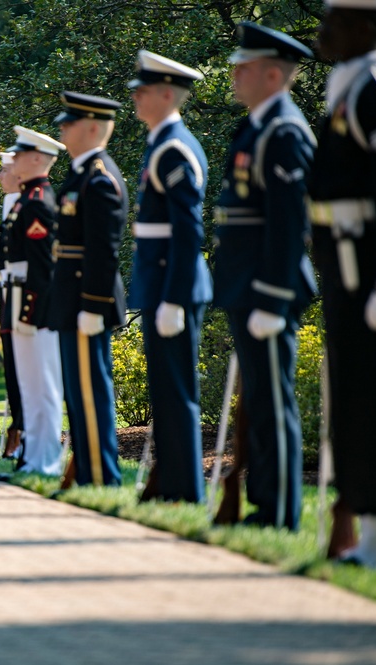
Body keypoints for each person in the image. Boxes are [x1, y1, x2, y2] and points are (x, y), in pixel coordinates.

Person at [212, 23, 316, 530]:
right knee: (258, 398)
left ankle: (279, 511)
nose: (235, 74)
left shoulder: (284, 131)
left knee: (272, 402)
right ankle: (264, 504)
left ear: (274, 74)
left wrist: (274, 299)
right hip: (246, 283)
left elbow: (288, 223)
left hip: (265, 287)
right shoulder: (258, 125)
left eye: (244, 67)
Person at [309, 0, 376, 567]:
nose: (321, 32)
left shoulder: (373, 89)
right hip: (344, 266)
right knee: (357, 403)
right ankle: (371, 534)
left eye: (332, 22)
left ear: (364, 27)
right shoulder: (347, 86)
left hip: (368, 271)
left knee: (374, 400)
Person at [127, 50, 212, 503]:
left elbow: (187, 230)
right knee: (166, 391)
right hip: (161, 284)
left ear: (166, 94)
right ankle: (173, 484)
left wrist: (176, 298)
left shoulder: (174, 148)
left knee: (176, 393)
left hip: (172, 286)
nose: (136, 98)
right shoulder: (160, 143)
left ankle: (184, 489)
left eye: (143, 90)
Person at [53, 92, 129, 488]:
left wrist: (93, 304)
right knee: (77, 394)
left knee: (89, 392)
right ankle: (84, 469)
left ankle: (101, 477)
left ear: (94, 128)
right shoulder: (80, 174)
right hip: (72, 298)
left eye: (71, 122)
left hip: (87, 299)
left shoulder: (99, 177)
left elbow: (103, 249)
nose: (63, 128)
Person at [5, 126, 67, 475]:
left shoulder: (39, 202)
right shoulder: (27, 200)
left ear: (36, 159)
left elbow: (43, 268)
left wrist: (30, 310)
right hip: (21, 300)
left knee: (43, 387)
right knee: (30, 388)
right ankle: (33, 456)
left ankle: (47, 460)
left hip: (36, 307)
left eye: (18, 154)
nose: (13, 160)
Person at [0, 152, 25, 458]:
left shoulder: (28, 207)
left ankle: (23, 432)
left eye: (4, 171)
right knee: (13, 373)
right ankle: (19, 428)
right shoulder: (11, 208)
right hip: (7, 299)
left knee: (24, 375)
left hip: (22, 302)